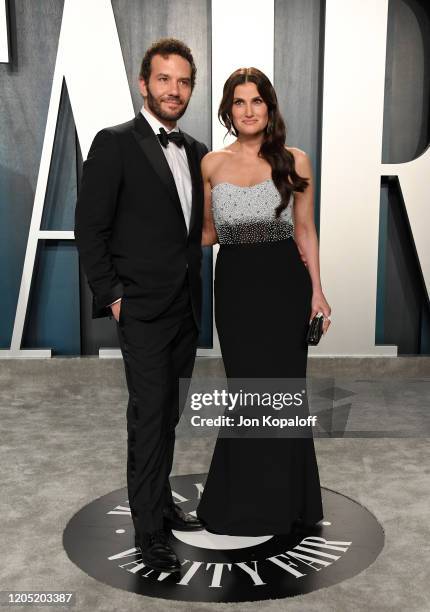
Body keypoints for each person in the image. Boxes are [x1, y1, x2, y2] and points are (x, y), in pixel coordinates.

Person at [74, 38, 208, 572]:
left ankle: (160, 507)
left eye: (183, 82)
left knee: (168, 415)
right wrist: (115, 298)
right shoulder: (114, 143)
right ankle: (149, 531)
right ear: (143, 83)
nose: (174, 90)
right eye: (164, 80)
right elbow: (91, 228)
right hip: (142, 310)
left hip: (185, 310)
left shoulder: (197, 152)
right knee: (149, 417)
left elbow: (193, 231)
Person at [196, 67, 331, 536]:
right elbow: (208, 233)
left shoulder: (296, 160)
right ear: (228, 111)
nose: (249, 110)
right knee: (246, 391)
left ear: (269, 108)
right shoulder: (211, 163)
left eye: (257, 101)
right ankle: (244, 502)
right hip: (234, 285)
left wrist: (317, 290)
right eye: (239, 102)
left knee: (285, 393)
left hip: (285, 285)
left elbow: (305, 230)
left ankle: (287, 504)